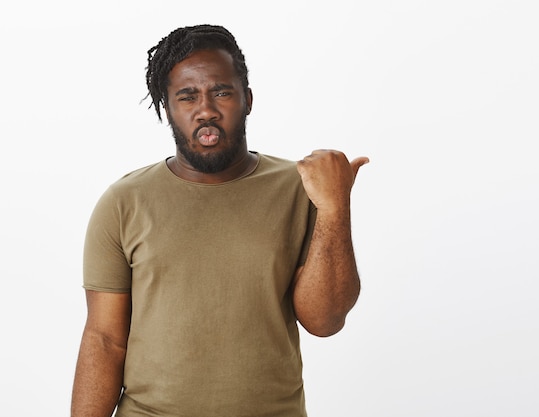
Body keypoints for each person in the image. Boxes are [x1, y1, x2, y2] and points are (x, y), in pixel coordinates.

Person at [71, 24, 368, 417]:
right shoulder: (124, 203)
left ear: (247, 99)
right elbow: (105, 339)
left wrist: (335, 208)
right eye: (187, 96)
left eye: (221, 92)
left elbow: (325, 320)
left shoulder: (302, 189)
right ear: (167, 108)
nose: (206, 109)